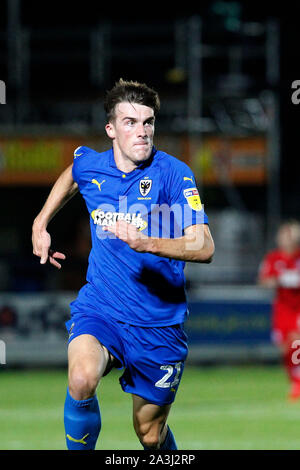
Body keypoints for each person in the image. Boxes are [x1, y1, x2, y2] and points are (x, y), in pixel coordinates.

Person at [32, 79, 215, 450]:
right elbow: (73, 174)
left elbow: (204, 245)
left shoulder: (173, 175)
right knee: (81, 377)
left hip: (157, 323)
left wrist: (146, 242)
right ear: (111, 129)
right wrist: (40, 223)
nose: (142, 131)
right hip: (102, 308)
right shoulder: (94, 166)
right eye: (130, 122)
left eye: (148, 122)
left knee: (149, 434)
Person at [258, 220, 300, 401]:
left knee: (296, 342)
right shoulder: (273, 258)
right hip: (282, 309)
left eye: (288, 235)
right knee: (285, 348)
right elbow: (263, 280)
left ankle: (298, 382)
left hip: (298, 308)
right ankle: (294, 380)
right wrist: (278, 280)